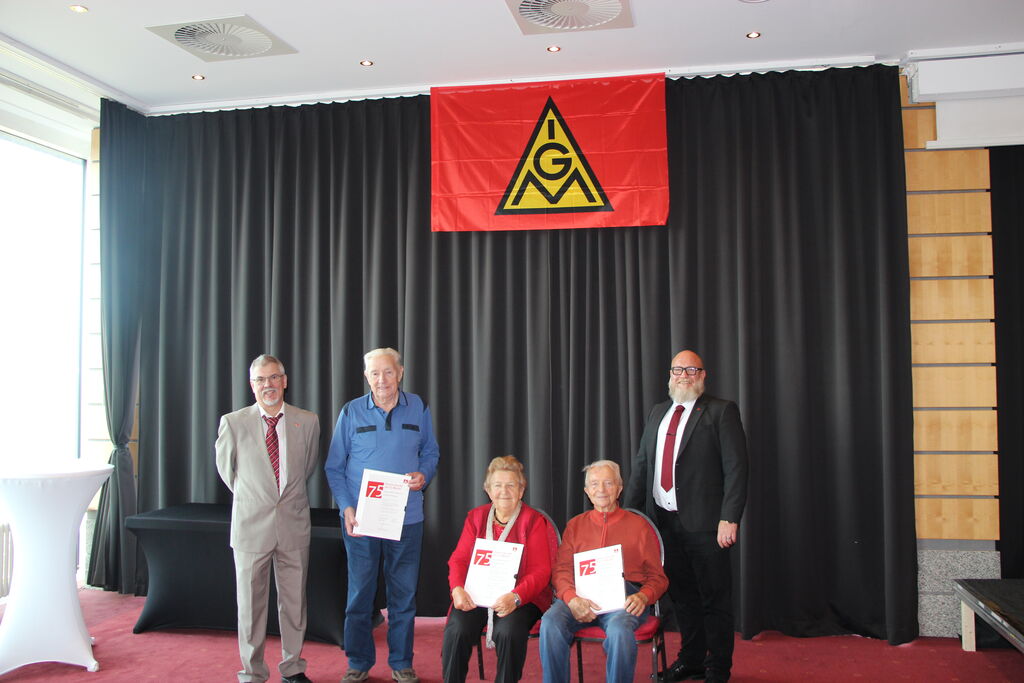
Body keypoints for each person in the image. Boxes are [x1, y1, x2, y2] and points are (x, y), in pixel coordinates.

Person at [624, 349, 749, 683]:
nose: (684, 375)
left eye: (691, 370)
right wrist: (631, 517)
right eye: (678, 370)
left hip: (707, 526)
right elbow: (642, 466)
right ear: (670, 375)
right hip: (663, 524)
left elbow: (736, 469)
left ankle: (718, 668)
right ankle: (692, 659)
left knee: (714, 599)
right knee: (682, 598)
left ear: (703, 375)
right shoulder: (658, 412)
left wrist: (730, 517)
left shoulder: (721, 411)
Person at [325, 347, 440, 683]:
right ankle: (358, 662)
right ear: (366, 376)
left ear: (400, 372)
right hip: (362, 519)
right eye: (374, 373)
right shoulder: (351, 412)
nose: (382, 380)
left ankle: (401, 663)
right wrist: (347, 507)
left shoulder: (418, 407)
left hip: (407, 518)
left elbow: (431, 452)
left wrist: (424, 474)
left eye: (388, 372)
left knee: (403, 596)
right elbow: (334, 467)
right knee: (360, 594)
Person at [215, 354, 321, 683]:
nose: (268, 385)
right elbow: (228, 473)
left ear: (285, 381)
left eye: (274, 377)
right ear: (252, 385)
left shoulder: (308, 421)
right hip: (250, 527)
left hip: (293, 524)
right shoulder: (233, 423)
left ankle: (293, 668)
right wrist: (256, 498)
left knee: (294, 602)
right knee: (250, 606)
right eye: (260, 380)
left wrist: (278, 499)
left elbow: (307, 468)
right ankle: (252, 672)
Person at [539, 460, 668, 683]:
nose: (601, 490)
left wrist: (644, 596)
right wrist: (571, 598)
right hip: (580, 595)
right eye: (595, 484)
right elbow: (561, 571)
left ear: (619, 488)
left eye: (608, 483)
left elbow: (658, 578)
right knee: (551, 622)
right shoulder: (575, 526)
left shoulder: (639, 526)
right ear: (587, 491)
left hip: (624, 598)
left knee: (619, 631)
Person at [442, 455, 557, 683]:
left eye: (511, 485)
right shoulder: (476, 518)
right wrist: (457, 589)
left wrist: (515, 597)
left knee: (508, 631)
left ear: (521, 490)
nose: (504, 491)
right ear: (488, 490)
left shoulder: (534, 521)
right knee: (457, 628)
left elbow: (540, 572)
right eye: (497, 485)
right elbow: (459, 560)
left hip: (522, 597)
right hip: (478, 594)